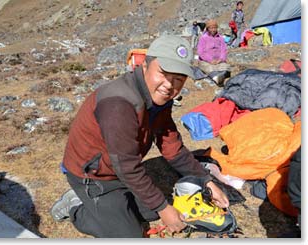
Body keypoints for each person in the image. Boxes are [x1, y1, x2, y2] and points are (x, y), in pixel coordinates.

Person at [50, 35, 230, 238]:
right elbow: (127, 166)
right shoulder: (119, 103)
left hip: (117, 170)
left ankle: (113, 205)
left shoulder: (158, 100)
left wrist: (206, 181)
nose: (169, 85)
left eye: (178, 79)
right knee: (131, 235)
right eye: (163, 73)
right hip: (92, 175)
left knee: (150, 212)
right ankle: (76, 206)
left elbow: (172, 146)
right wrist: (164, 208)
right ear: (145, 65)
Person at [197, 19, 231, 85]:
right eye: (211, 28)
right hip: (206, 61)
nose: (213, 30)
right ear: (207, 29)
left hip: (218, 61)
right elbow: (201, 52)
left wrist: (220, 59)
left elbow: (223, 50)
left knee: (226, 66)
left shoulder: (220, 38)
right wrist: (210, 60)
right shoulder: (203, 38)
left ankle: (220, 76)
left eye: (214, 28)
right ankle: (216, 78)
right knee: (207, 67)